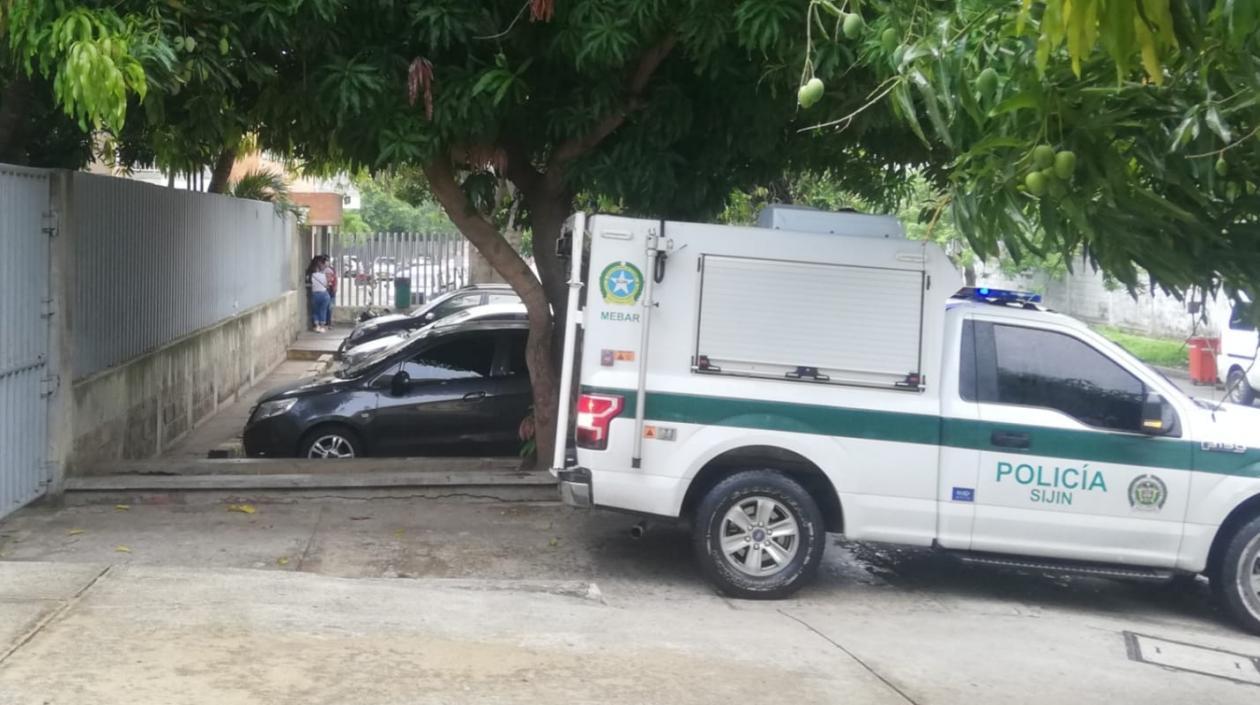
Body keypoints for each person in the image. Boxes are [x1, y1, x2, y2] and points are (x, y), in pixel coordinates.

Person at [307, 256, 331, 333]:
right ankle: (322, 327)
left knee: (315, 311)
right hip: (324, 294)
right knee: (323, 310)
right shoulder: (323, 275)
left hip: (315, 294)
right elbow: (326, 284)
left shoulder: (311, 275)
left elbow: (308, 283)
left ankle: (316, 326)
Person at [322, 256, 338, 328]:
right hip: (325, 289)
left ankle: (329, 321)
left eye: (327, 261)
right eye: (325, 261)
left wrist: (335, 287)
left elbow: (335, 278)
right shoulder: (321, 270)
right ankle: (325, 321)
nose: (327, 262)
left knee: (330, 307)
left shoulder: (332, 269)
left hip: (331, 290)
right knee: (326, 306)